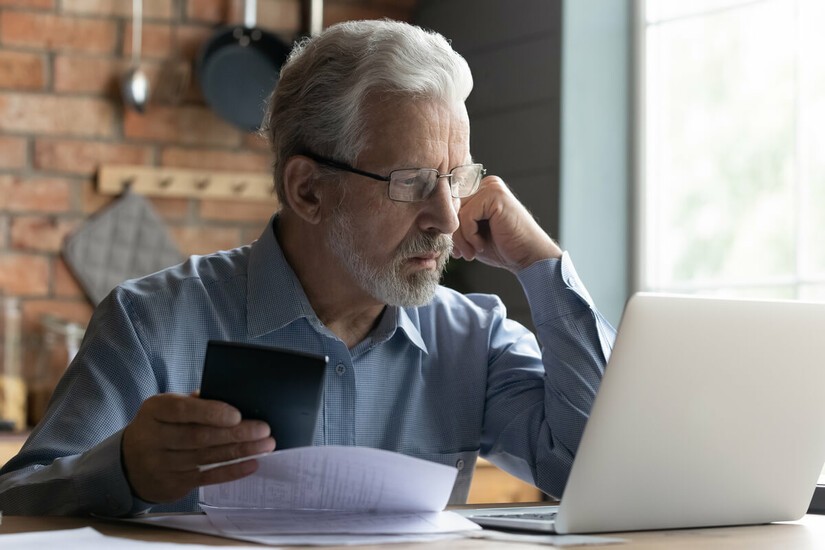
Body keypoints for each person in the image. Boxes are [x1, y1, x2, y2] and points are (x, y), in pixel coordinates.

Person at [0, 19, 615, 516]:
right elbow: (13, 505)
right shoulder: (147, 324)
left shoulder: (472, 339)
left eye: (457, 179)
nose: (449, 218)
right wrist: (126, 469)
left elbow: (593, 470)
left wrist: (542, 263)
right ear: (308, 191)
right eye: (413, 183)